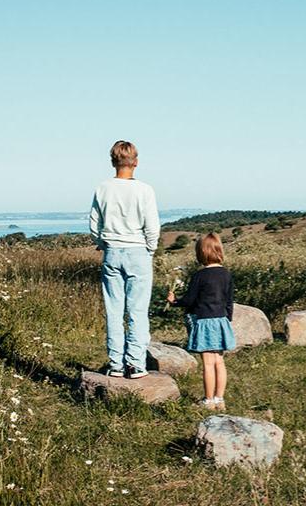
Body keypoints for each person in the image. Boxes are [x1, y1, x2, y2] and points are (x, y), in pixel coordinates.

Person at [89, 140, 160, 379]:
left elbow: (93, 224)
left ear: (112, 162)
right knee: (137, 311)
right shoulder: (145, 190)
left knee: (114, 311)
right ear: (136, 162)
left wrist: (103, 244)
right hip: (138, 251)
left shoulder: (103, 188)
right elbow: (152, 226)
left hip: (112, 252)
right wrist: (150, 249)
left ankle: (115, 364)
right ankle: (136, 364)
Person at [167, 233, 235, 410]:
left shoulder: (199, 276)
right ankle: (220, 399)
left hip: (205, 322)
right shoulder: (226, 274)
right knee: (219, 362)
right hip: (221, 321)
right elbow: (229, 301)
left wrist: (175, 301)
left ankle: (208, 400)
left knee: (207, 363)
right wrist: (227, 320)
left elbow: (190, 300)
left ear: (201, 253)